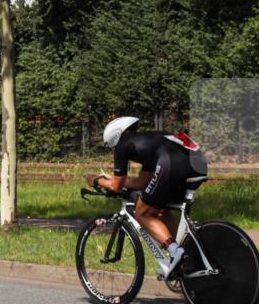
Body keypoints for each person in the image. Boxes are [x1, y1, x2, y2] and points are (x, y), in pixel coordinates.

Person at [85, 116, 208, 279]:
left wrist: (96, 180)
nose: (113, 151)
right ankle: (184, 258)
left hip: (172, 164)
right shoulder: (149, 142)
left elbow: (116, 187)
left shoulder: (123, 143)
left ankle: (176, 252)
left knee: (142, 212)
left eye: (110, 148)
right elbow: (143, 182)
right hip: (197, 164)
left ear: (114, 138)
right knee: (160, 209)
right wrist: (113, 180)